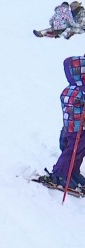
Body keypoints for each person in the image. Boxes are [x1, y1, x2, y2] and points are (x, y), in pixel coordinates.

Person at [39, 56, 85, 190]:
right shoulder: (74, 90)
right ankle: (60, 174)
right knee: (73, 149)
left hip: (81, 127)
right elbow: (70, 105)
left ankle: (72, 171)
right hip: (74, 127)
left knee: (80, 150)